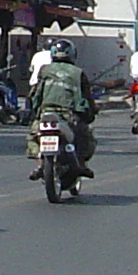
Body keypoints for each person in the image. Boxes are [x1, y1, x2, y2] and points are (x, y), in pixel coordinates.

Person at [30, 39, 95, 176]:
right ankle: (81, 164)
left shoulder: (44, 70)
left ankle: (39, 164)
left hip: (46, 113)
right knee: (85, 136)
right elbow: (87, 97)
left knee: (34, 136)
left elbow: (36, 94)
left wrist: (34, 113)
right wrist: (91, 112)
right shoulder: (78, 73)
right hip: (69, 115)